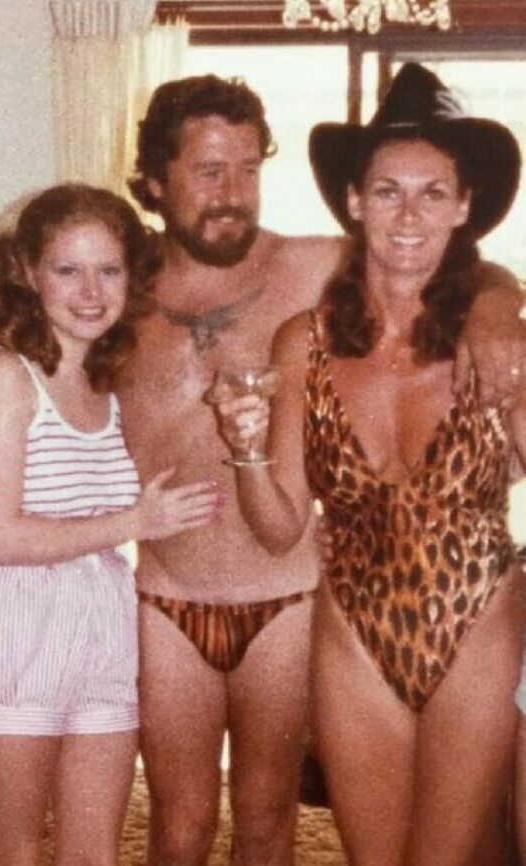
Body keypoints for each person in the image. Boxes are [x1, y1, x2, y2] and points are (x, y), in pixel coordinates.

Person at [0, 75, 525, 866]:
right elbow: (46, 392)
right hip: (166, 597)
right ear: (156, 184)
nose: (233, 193)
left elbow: (445, 258)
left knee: (269, 822)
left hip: (288, 597)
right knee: (179, 826)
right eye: (208, 171)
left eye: (248, 168)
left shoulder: (316, 268)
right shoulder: (119, 294)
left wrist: (498, 310)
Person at [215, 63, 526, 866]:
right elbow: (282, 524)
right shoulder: (302, 343)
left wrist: (509, 318)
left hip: (479, 625)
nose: (409, 214)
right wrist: (246, 450)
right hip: (352, 632)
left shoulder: (501, 343)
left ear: (465, 207)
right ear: (355, 202)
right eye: (388, 191)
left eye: (433, 191)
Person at [0, 183, 221, 866]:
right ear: (29, 274)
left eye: (109, 270)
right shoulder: (3, 374)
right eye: (68, 270)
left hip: (102, 620)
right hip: (12, 624)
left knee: (95, 855)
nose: (91, 291)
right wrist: (136, 520)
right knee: (16, 853)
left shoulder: (109, 379)